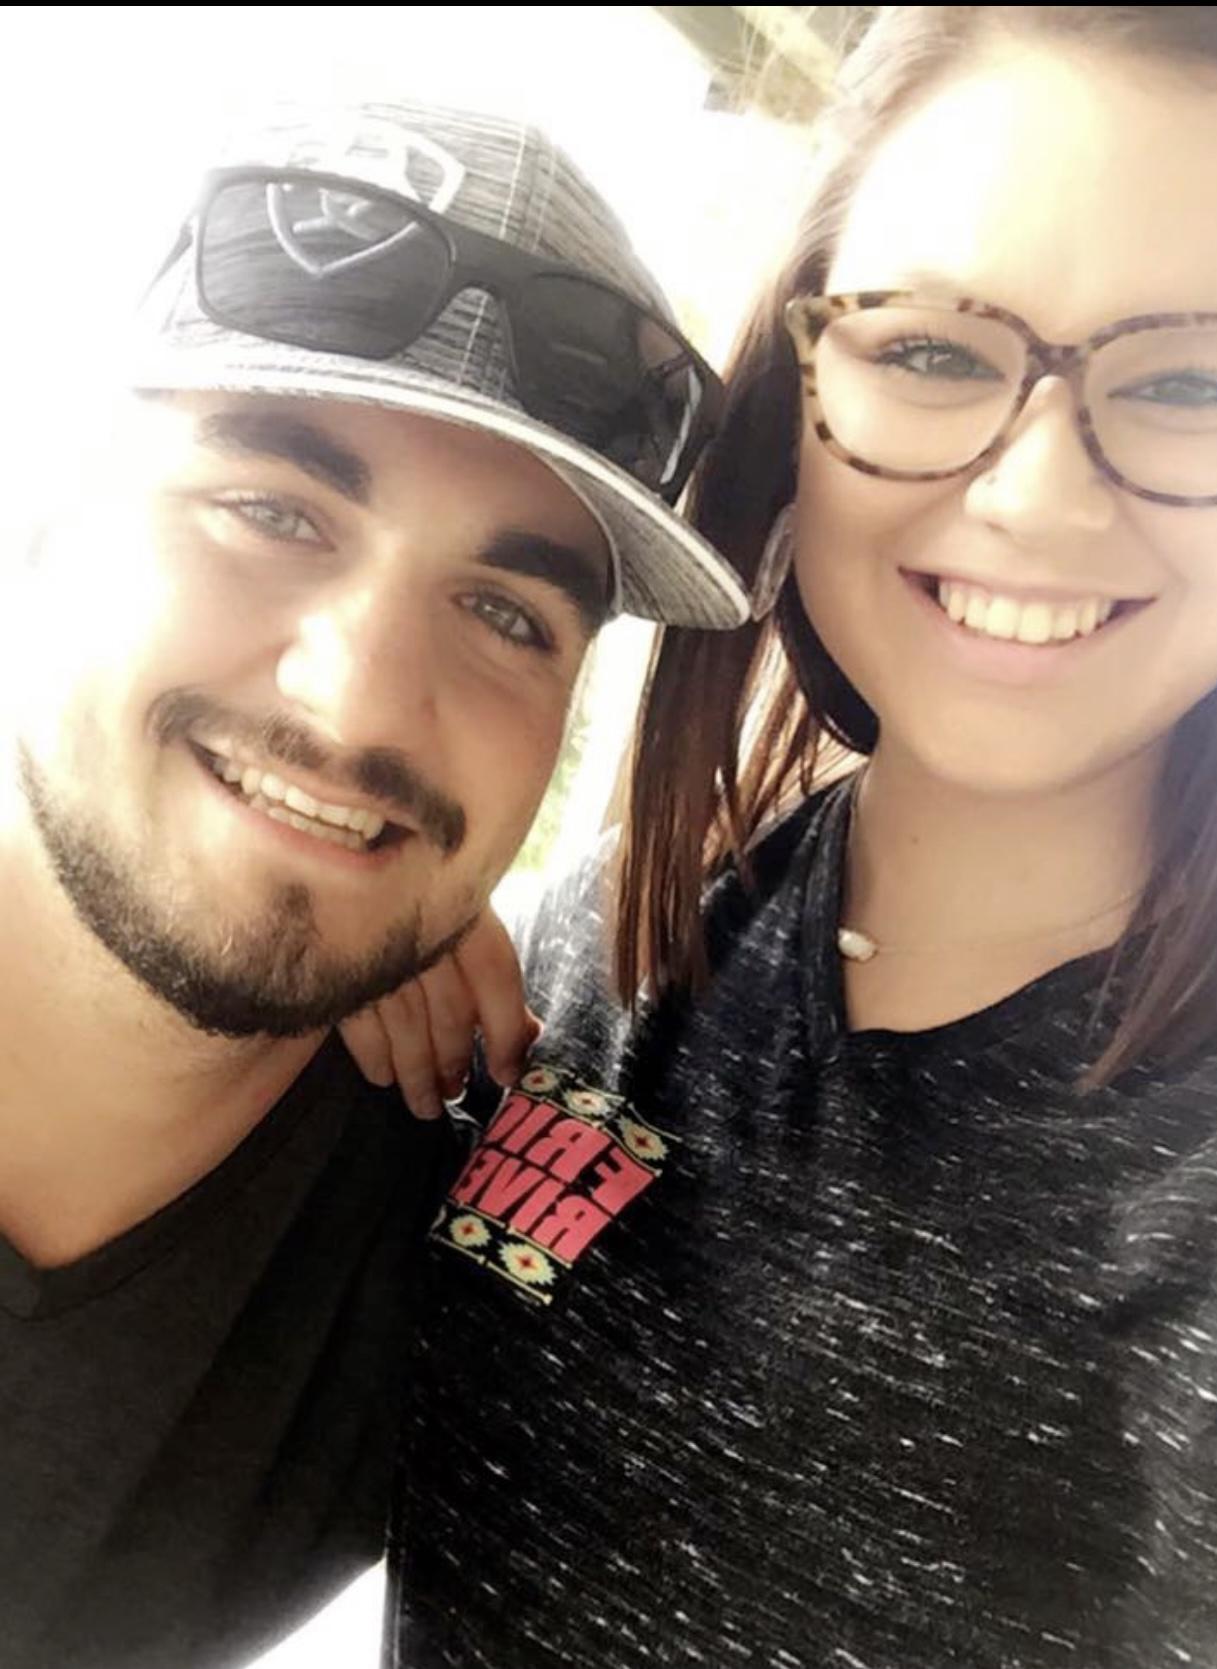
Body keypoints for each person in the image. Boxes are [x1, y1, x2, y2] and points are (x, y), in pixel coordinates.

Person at [378, 9, 1217, 1666]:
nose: (1037, 496)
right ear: (791, 396)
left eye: (1197, 381)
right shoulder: (595, 955)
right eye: (929, 351)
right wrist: (345, 932)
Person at [0, 97, 746, 1669]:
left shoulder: (458, 1267)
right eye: (273, 513)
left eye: (506, 615)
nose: (358, 710)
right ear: (55, 511)